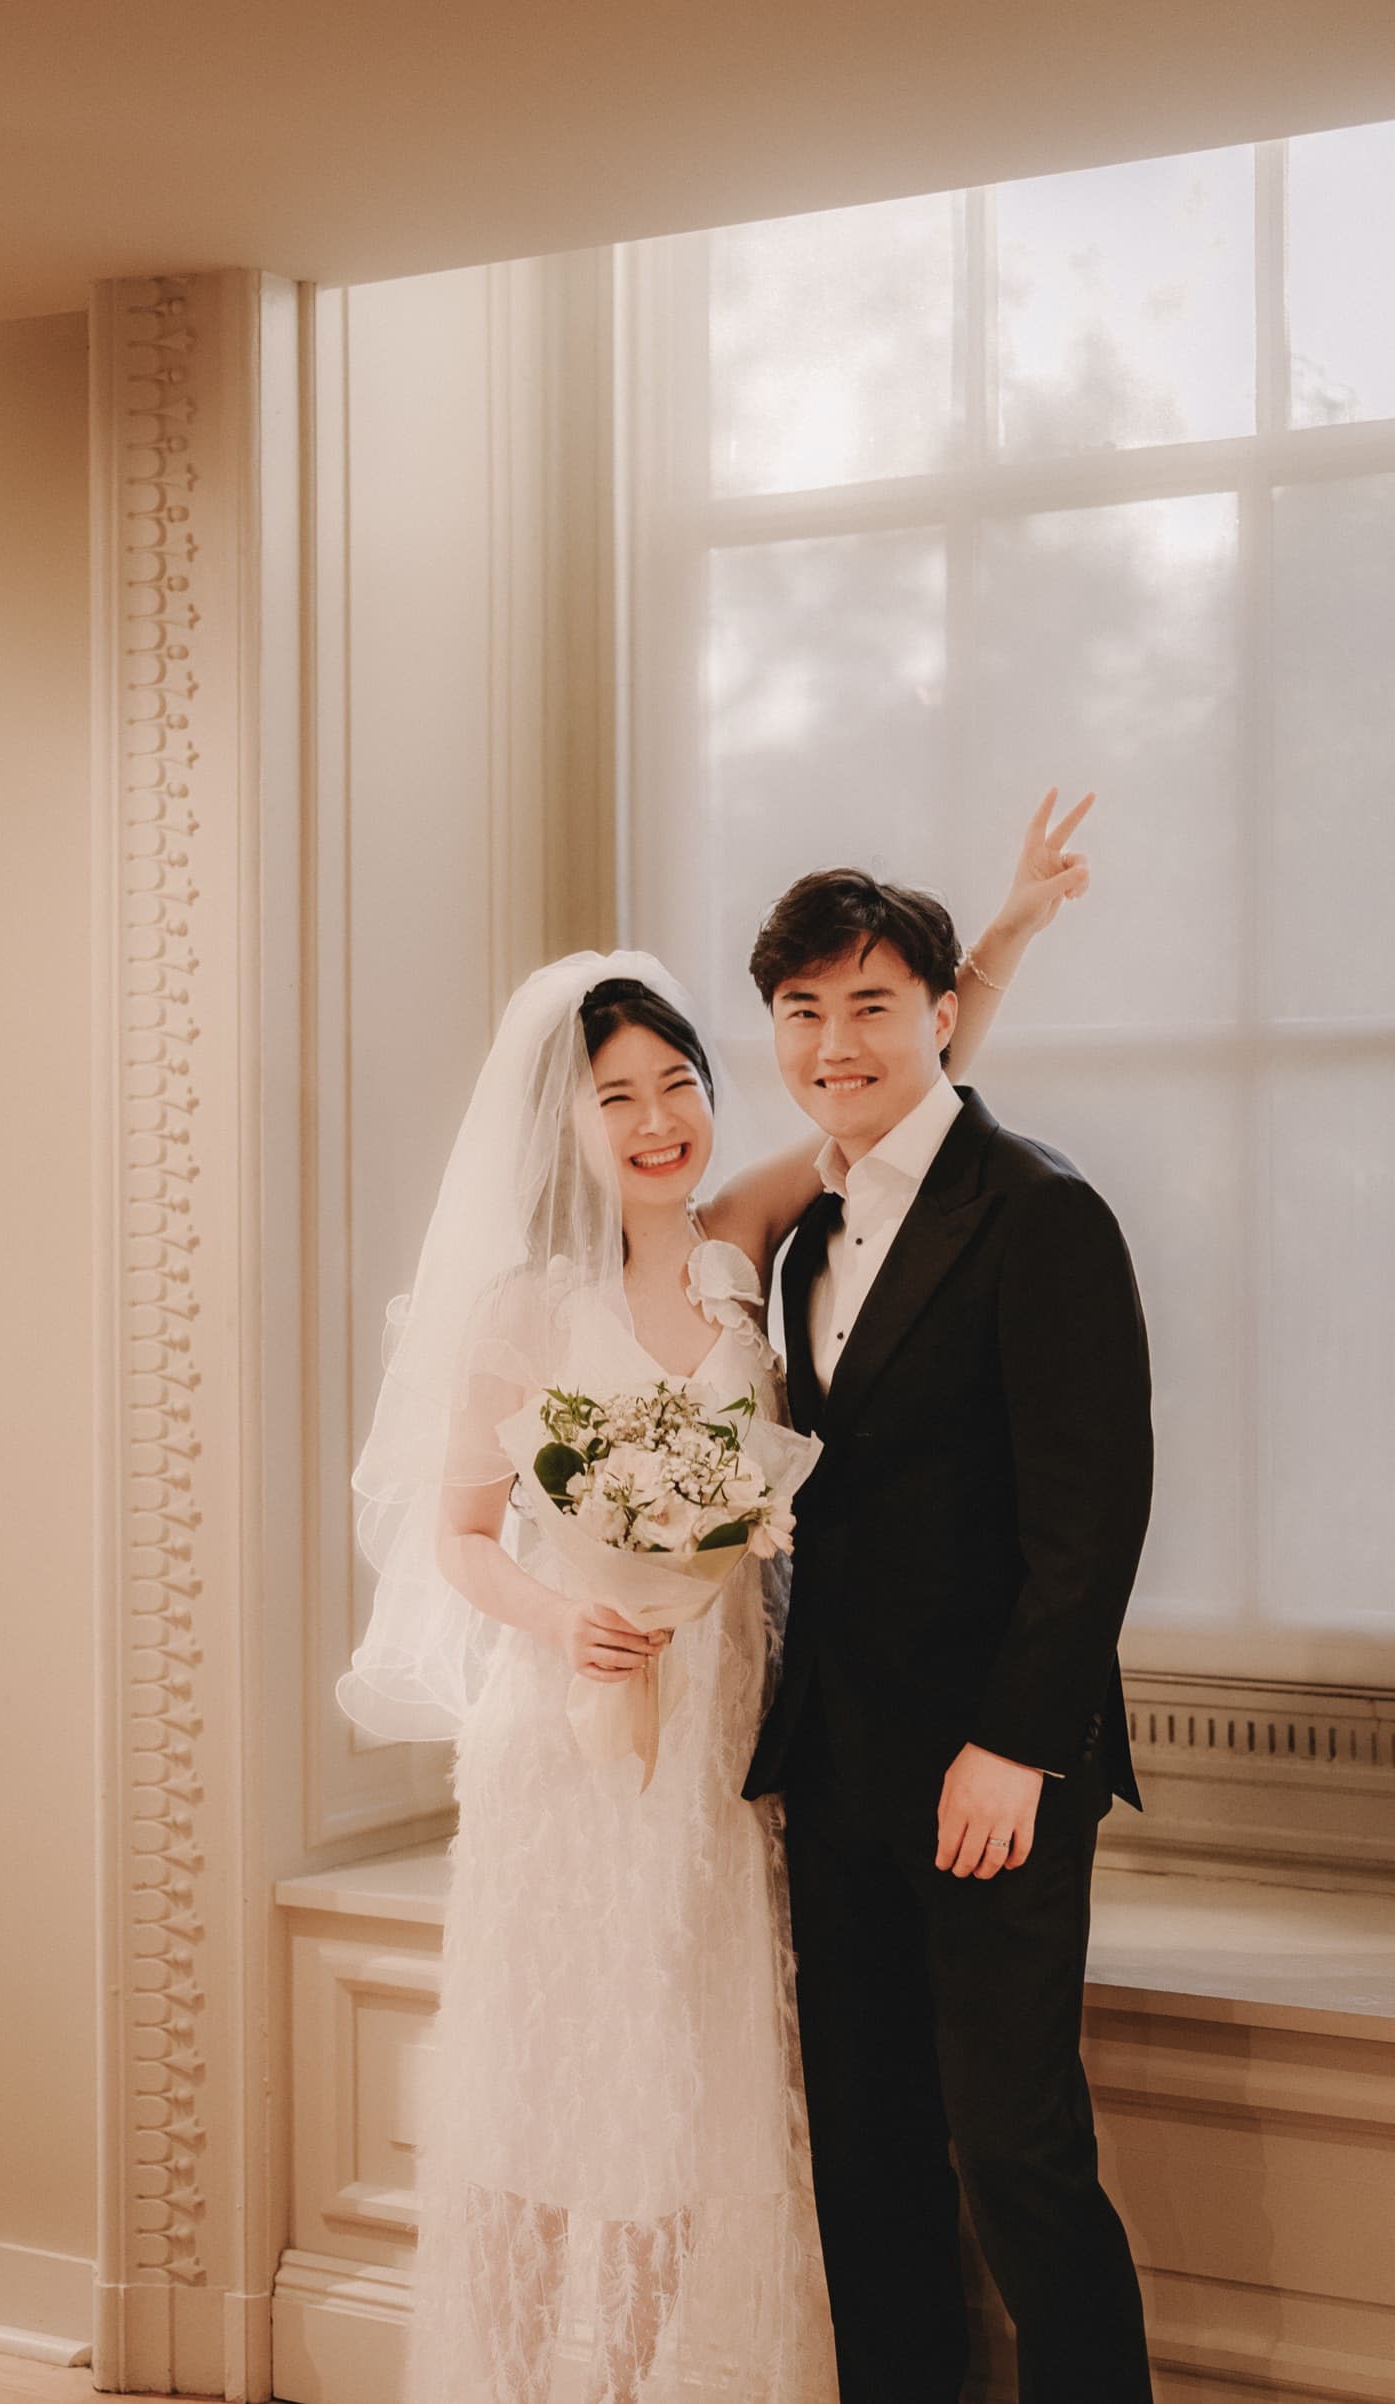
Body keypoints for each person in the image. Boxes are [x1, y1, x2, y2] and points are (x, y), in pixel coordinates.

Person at [338, 795, 1094, 2404]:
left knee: (703, 2099)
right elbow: (462, 1535)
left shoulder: (735, 1248)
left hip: (739, 1742)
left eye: (679, 1081)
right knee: (553, 2098)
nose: (660, 1118)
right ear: (567, 1123)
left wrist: (1005, 936)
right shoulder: (520, 1313)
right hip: (576, 1732)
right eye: (619, 1097)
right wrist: (562, 1624)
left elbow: (891, 1097)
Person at [742, 864, 1154, 2404]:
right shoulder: (801, 1235)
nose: (834, 1041)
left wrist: (1019, 1747)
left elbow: (1090, 1519)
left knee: (1016, 2150)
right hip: (836, 1763)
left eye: (868, 1005)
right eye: (801, 1010)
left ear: (937, 1013)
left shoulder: (1041, 1213)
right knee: (871, 2149)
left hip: (995, 1770)